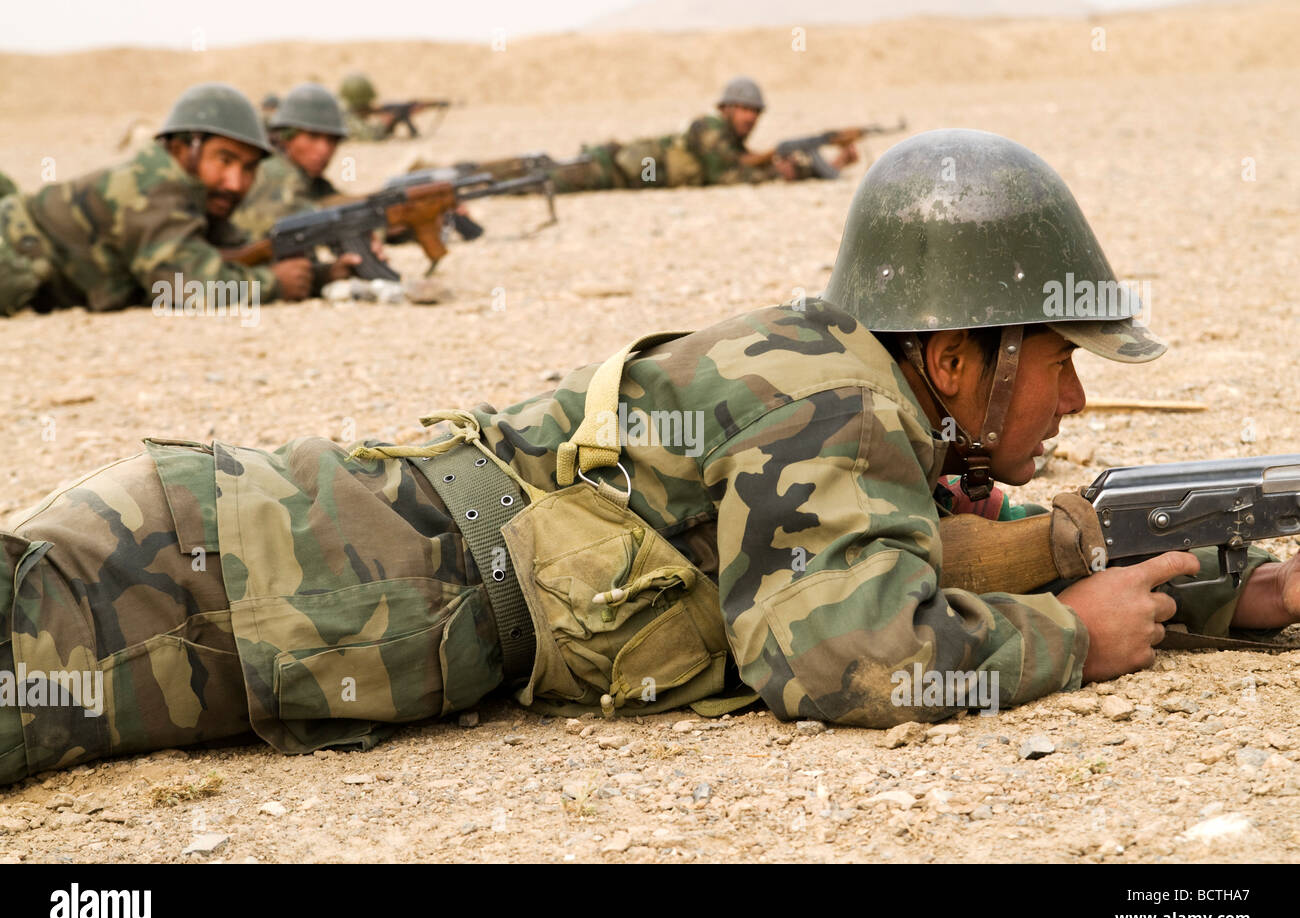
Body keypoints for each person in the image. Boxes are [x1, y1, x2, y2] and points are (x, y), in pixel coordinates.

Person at [1, 129, 1296, 784]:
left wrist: (1195, 588)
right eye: (1060, 353)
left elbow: (899, 558)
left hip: (235, 555)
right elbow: (841, 653)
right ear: (956, 353)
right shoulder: (830, 406)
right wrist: (1077, 636)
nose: (1077, 393)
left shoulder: (844, 381)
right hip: (203, 586)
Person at [0, 83, 318, 315]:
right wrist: (274, 284)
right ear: (182, 148)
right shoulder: (152, 187)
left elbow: (229, 253)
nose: (235, 182)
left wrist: (321, 274)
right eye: (224, 160)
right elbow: (183, 287)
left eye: (248, 168)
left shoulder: (196, 195)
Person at [462, 76, 860, 192]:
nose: (750, 118)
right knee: (537, 176)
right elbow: (728, 173)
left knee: (539, 174)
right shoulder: (709, 130)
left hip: (621, 172)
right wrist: (775, 159)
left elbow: (743, 170)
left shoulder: (734, 146)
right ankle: (462, 175)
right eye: (743, 109)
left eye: (755, 112)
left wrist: (830, 163)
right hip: (612, 168)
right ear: (725, 108)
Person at [230, 83, 346, 240]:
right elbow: (308, 217)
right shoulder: (277, 173)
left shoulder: (309, 179)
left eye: (332, 140)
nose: (324, 149)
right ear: (286, 137)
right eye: (313, 136)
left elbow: (337, 202)